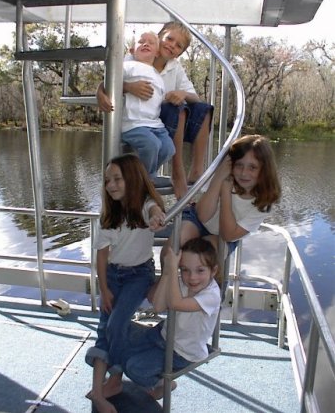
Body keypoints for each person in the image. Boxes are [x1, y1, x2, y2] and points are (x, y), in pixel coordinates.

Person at [91, 237, 221, 402]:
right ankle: (116, 377)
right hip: (162, 335)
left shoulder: (211, 295)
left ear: (214, 271)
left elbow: (175, 303)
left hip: (182, 352)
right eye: (185, 270)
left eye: (200, 270)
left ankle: (164, 384)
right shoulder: (180, 281)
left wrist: (174, 270)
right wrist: (167, 271)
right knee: (117, 333)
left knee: (134, 368)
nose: (192, 277)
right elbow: (159, 306)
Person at [85, 153, 166, 413]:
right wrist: (104, 288)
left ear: (132, 178)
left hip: (139, 275)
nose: (111, 185)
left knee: (117, 323)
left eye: (117, 179)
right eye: (108, 180)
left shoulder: (144, 204)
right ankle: (101, 391)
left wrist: (156, 217)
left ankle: (117, 377)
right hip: (113, 275)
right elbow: (101, 256)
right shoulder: (109, 215)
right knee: (105, 327)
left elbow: (155, 209)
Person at [97, 21, 213, 199]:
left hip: (158, 122)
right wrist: (128, 87)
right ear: (159, 39)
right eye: (169, 39)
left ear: (180, 53)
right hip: (137, 120)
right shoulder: (135, 56)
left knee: (203, 109)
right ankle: (177, 171)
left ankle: (197, 170)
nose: (172, 45)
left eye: (178, 46)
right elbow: (110, 80)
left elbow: (195, 98)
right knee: (179, 109)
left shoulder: (174, 67)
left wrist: (182, 93)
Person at [162, 134, 281, 261]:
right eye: (239, 165)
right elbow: (202, 215)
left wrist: (225, 193)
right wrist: (219, 177)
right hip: (196, 220)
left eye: (252, 167)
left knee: (207, 260)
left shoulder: (264, 201)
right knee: (169, 253)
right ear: (231, 164)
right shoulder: (224, 174)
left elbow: (228, 235)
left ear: (264, 170)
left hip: (224, 235)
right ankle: (167, 280)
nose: (244, 173)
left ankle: (214, 280)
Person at [102, 30, 175, 183]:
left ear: (157, 53)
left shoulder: (158, 76)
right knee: (152, 145)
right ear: (132, 50)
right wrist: (128, 86)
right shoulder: (127, 66)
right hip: (132, 124)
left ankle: (147, 174)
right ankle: (145, 180)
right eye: (141, 42)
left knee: (169, 148)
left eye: (151, 42)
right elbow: (108, 82)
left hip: (155, 124)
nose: (146, 44)